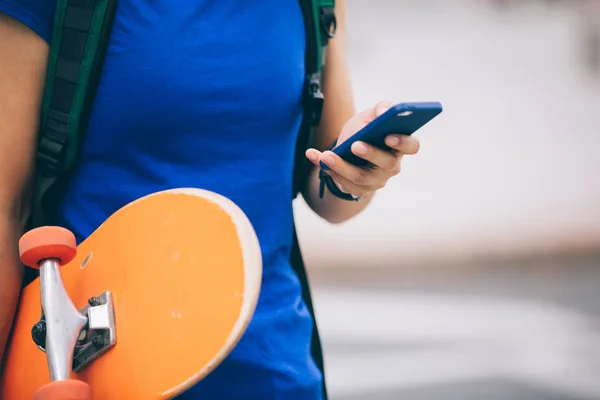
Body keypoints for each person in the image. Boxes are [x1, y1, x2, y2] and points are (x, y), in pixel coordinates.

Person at [0, 1, 421, 398]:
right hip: (100, 370)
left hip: (276, 369)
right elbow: (6, 207)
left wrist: (355, 174)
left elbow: (327, 196)